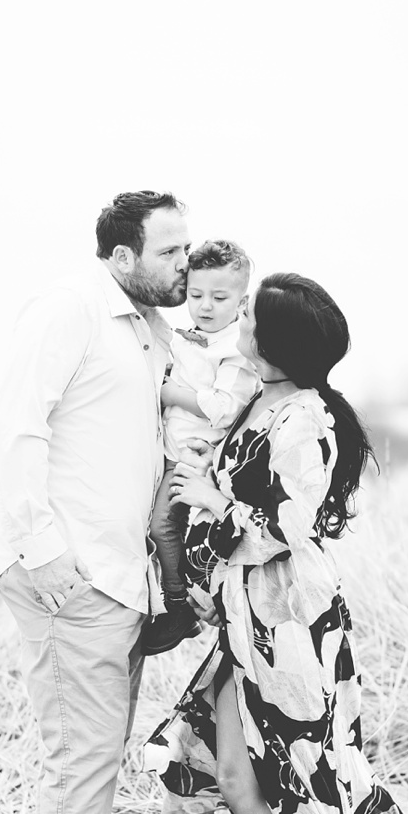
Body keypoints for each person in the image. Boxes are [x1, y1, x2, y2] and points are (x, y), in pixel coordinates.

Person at [144, 273, 408, 814]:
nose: (239, 321)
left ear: (277, 339)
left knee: (293, 780)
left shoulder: (309, 420)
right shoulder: (257, 399)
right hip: (244, 619)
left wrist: (211, 504)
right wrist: (200, 570)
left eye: (252, 317)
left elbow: (287, 527)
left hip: (289, 625)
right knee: (236, 777)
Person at [0, 190, 192, 814]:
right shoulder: (69, 311)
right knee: (82, 764)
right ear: (121, 256)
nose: (184, 263)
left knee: (92, 763)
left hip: (118, 579)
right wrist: (47, 552)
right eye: (171, 252)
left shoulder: (149, 333)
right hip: (69, 579)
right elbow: (17, 423)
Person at [143, 239, 260, 656]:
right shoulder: (184, 337)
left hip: (197, 457)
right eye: (195, 295)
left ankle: (181, 606)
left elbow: (224, 410)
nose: (205, 306)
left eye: (219, 297)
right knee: (157, 529)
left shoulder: (236, 350)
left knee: (164, 526)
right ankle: (176, 597)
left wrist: (170, 393)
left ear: (241, 301)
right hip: (166, 449)